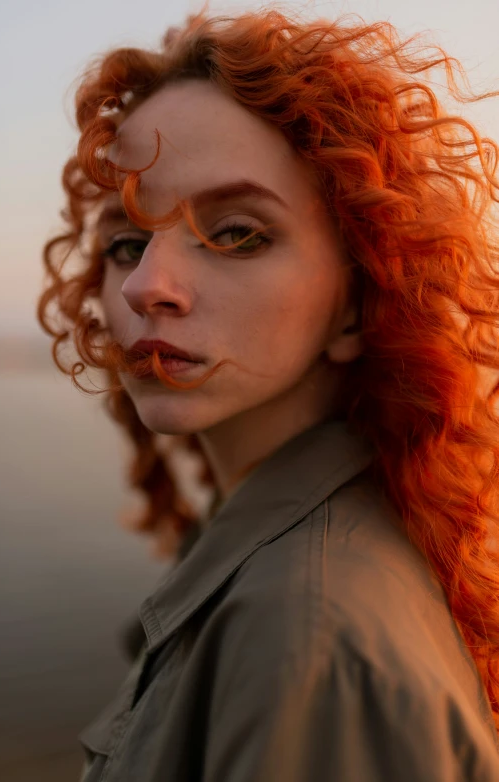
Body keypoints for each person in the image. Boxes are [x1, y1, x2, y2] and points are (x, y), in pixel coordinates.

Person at [37, 2, 499, 779]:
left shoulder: (308, 638)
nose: (149, 285)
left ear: (360, 298)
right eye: (127, 241)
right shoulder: (301, 577)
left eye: (237, 233)